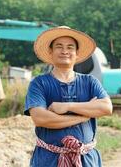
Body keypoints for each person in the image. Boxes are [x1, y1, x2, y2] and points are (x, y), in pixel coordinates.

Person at [24, 26, 113, 167]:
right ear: (50, 51)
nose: (65, 51)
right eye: (59, 46)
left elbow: (106, 108)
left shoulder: (90, 82)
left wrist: (67, 106)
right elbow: (40, 118)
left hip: (86, 160)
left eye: (70, 47)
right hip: (48, 160)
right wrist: (83, 116)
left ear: (76, 53)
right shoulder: (39, 83)